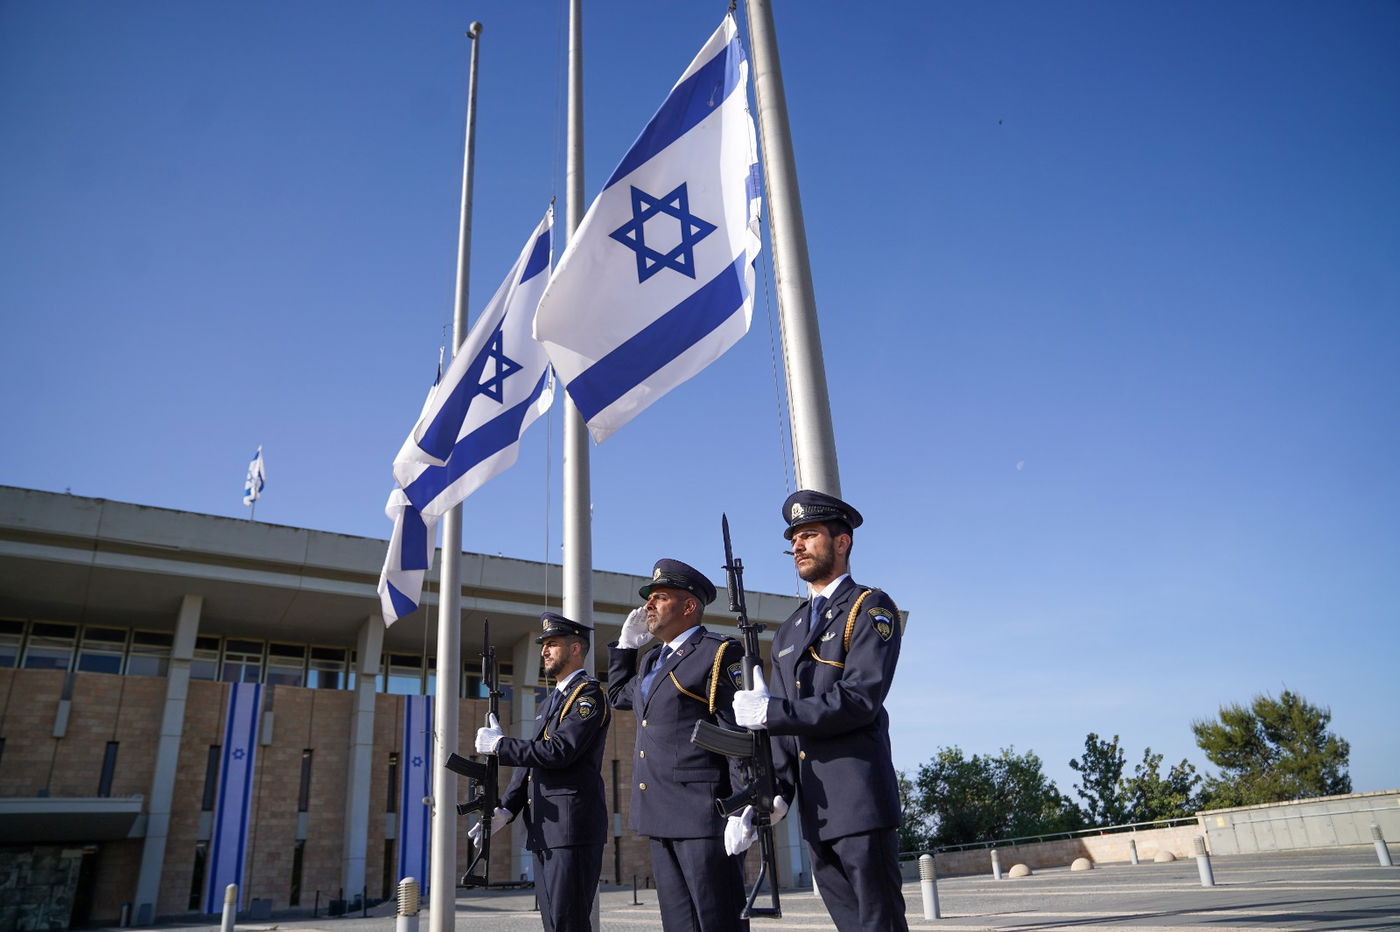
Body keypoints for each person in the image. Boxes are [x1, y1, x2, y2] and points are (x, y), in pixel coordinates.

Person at [730, 490, 908, 931]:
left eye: (809, 535)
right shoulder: (790, 627)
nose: (797, 546)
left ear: (842, 542)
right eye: (794, 538)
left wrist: (772, 713)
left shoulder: (870, 607)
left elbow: (859, 699)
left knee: (878, 924)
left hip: (859, 801)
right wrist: (770, 794)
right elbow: (785, 733)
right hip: (817, 810)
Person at [608, 559, 751, 932]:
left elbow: (738, 735)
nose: (648, 606)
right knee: (679, 925)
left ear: (689, 607)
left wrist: (741, 806)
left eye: (660, 597)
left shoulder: (718, 653)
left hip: (704, 815)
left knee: (718, 922)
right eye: (649, 598)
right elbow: (618, 697)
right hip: (660, 814)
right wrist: (625, 648)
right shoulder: (653, 660)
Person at [473, 612, 610, 932]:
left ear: (576, 648)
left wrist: (502, 746)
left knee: (568, 923)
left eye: (552, 644)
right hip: (546, 829)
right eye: (543, 645)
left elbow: (559, 752)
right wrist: (507, 808)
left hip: (572, 828)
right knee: (554, 924)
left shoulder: (587, 696)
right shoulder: (550, 702)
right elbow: (532, 765)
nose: (544, 651)